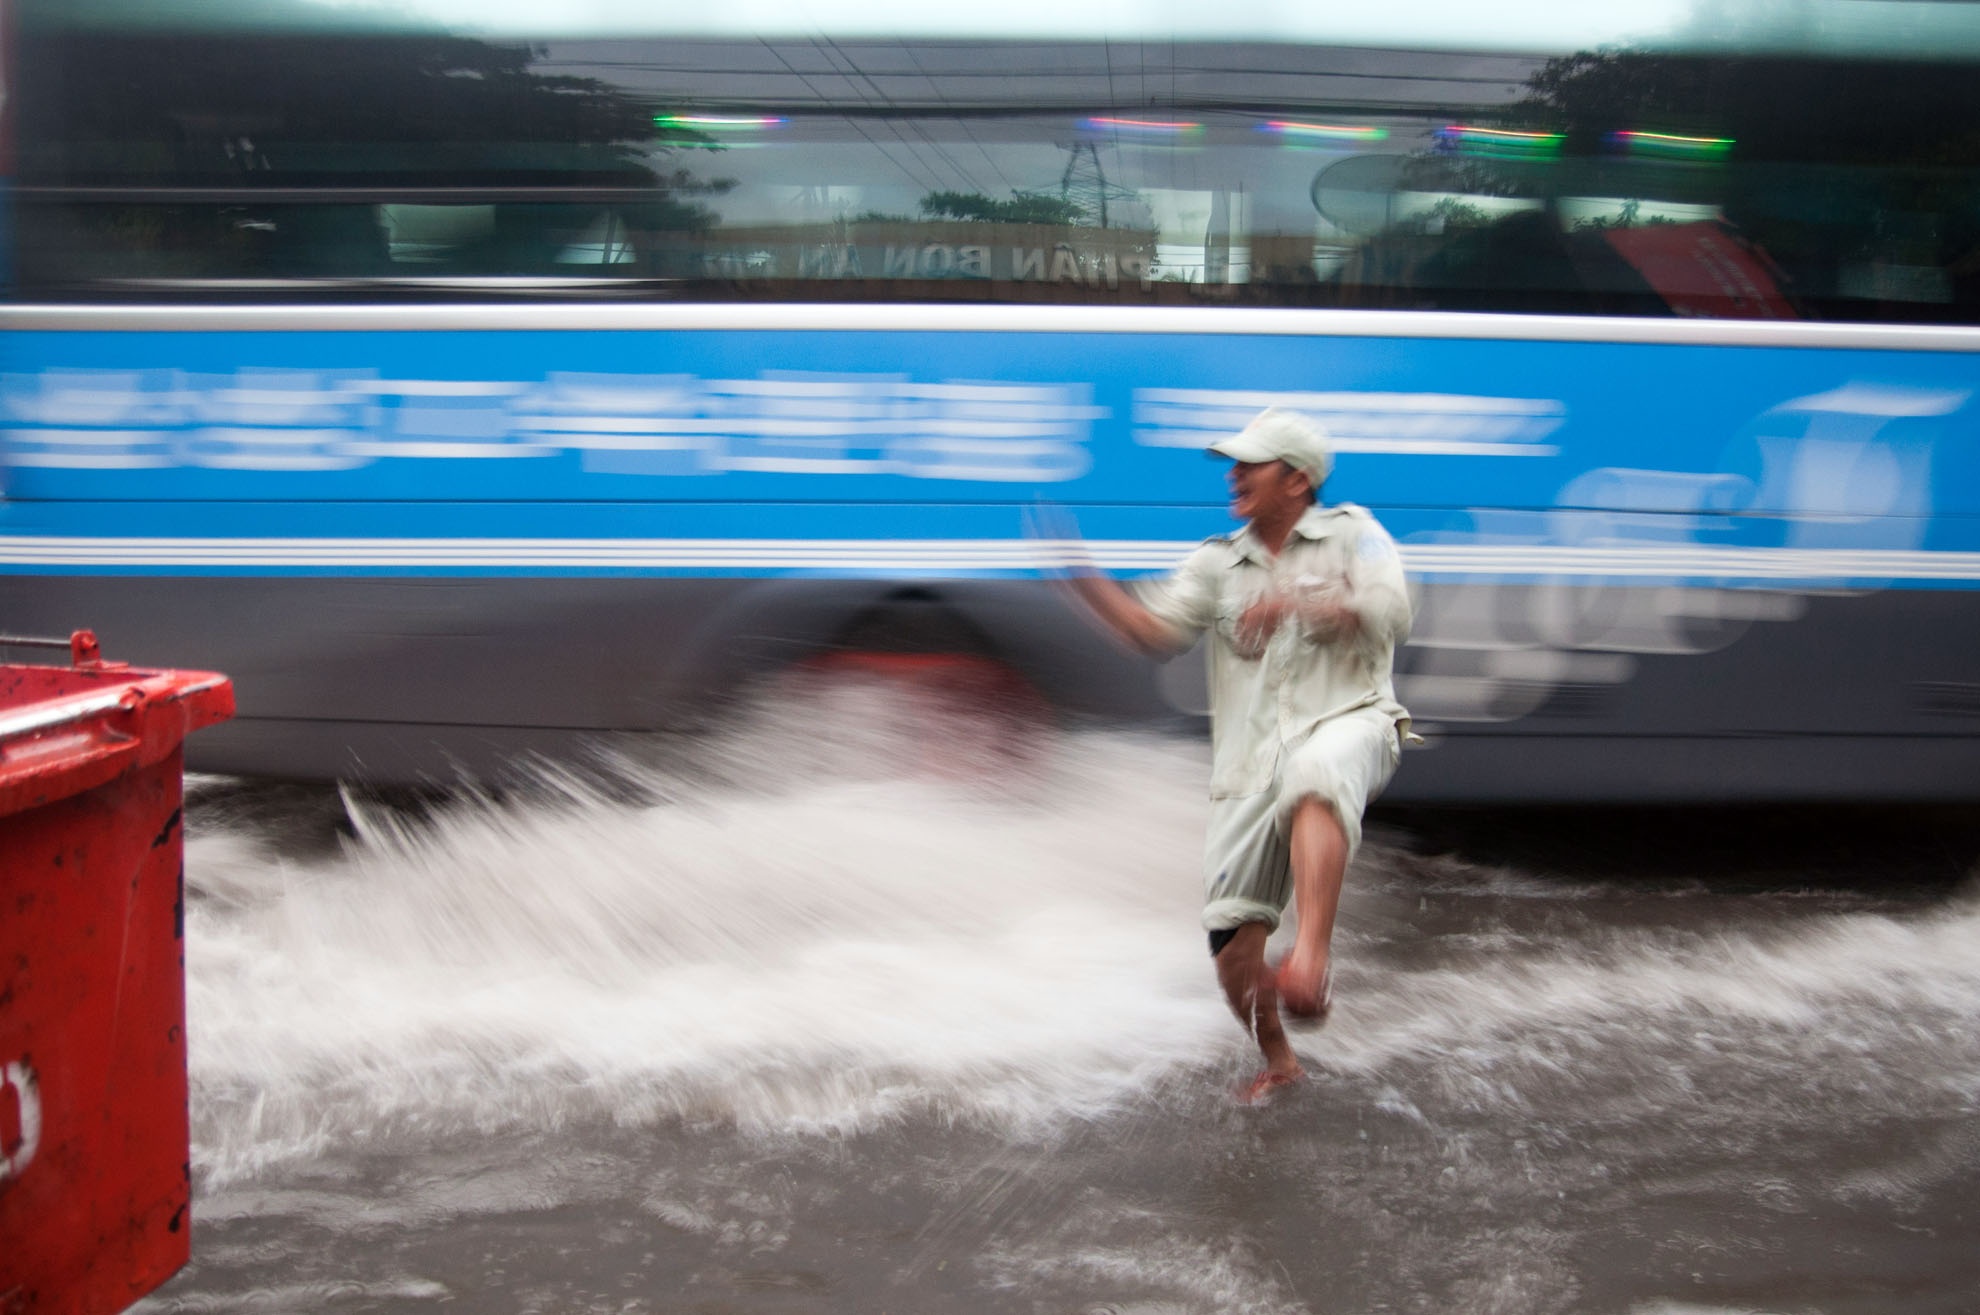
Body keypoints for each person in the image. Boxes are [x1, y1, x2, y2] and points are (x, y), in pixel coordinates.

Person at [1040, 407, 1414, 1102]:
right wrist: (1084, 581)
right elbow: (1152, 631)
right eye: (1233, 463)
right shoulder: (1218, 560)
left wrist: (1294, 598)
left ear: (1298, 480)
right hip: (1250, 764)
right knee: (1230, 949)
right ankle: (1280, 1061)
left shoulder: (1355, 534)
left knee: (1315, 771)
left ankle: (1311, 956)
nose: (1235, 475)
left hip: (1350, 720)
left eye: (1252, 463)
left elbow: (1389, 609)